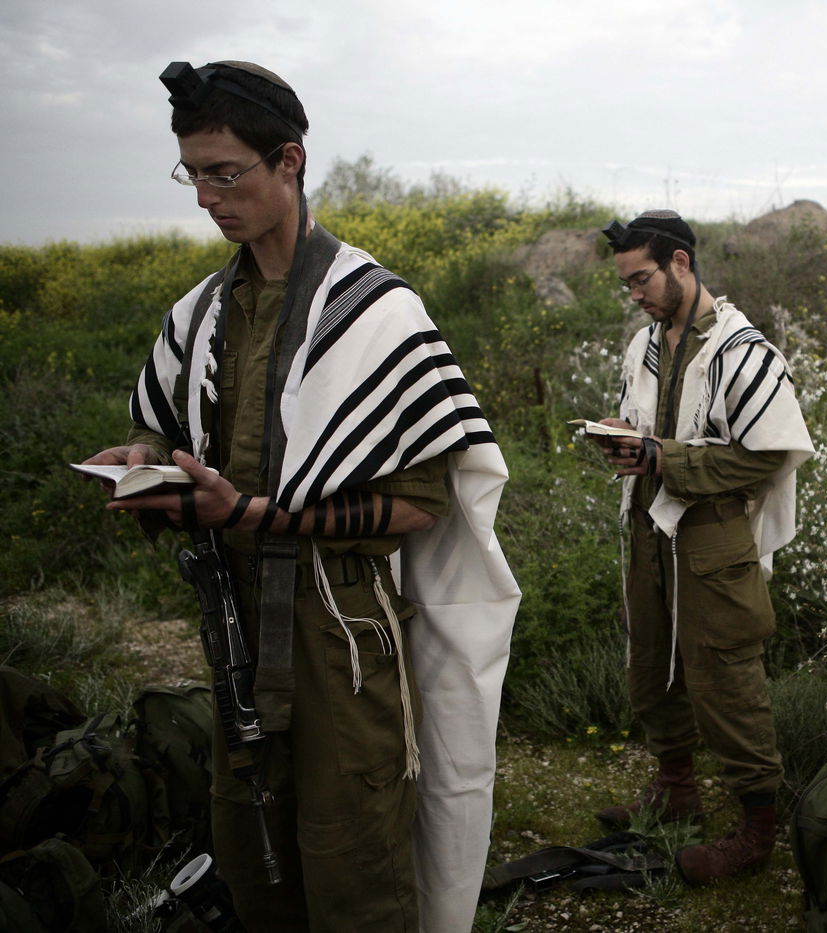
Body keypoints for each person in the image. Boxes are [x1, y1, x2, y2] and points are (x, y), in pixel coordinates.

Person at [82, 61, 518, 932]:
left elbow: (421, 502)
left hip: (338, 635)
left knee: (354, 858)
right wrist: (146, 459)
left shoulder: (376, 313)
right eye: (192, 173)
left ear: (290, 160)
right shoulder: (201, 315)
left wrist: (258, 516)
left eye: (225, 173)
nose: (206, 197)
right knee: (254, 849)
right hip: (235, 623)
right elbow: (179, 433)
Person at [587, 210, 813, 885]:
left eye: (642, 278)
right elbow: (647, 424)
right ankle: (676, 788)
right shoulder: (645, 345)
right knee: (651, 661)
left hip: (712, 535)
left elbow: (769, 455)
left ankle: (756, 832)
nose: (635, 294)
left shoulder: (745, 351)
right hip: (647, 528)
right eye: (626, 284)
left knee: (726, 679)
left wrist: (664, 456)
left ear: (681, 262)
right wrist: (621, 441)